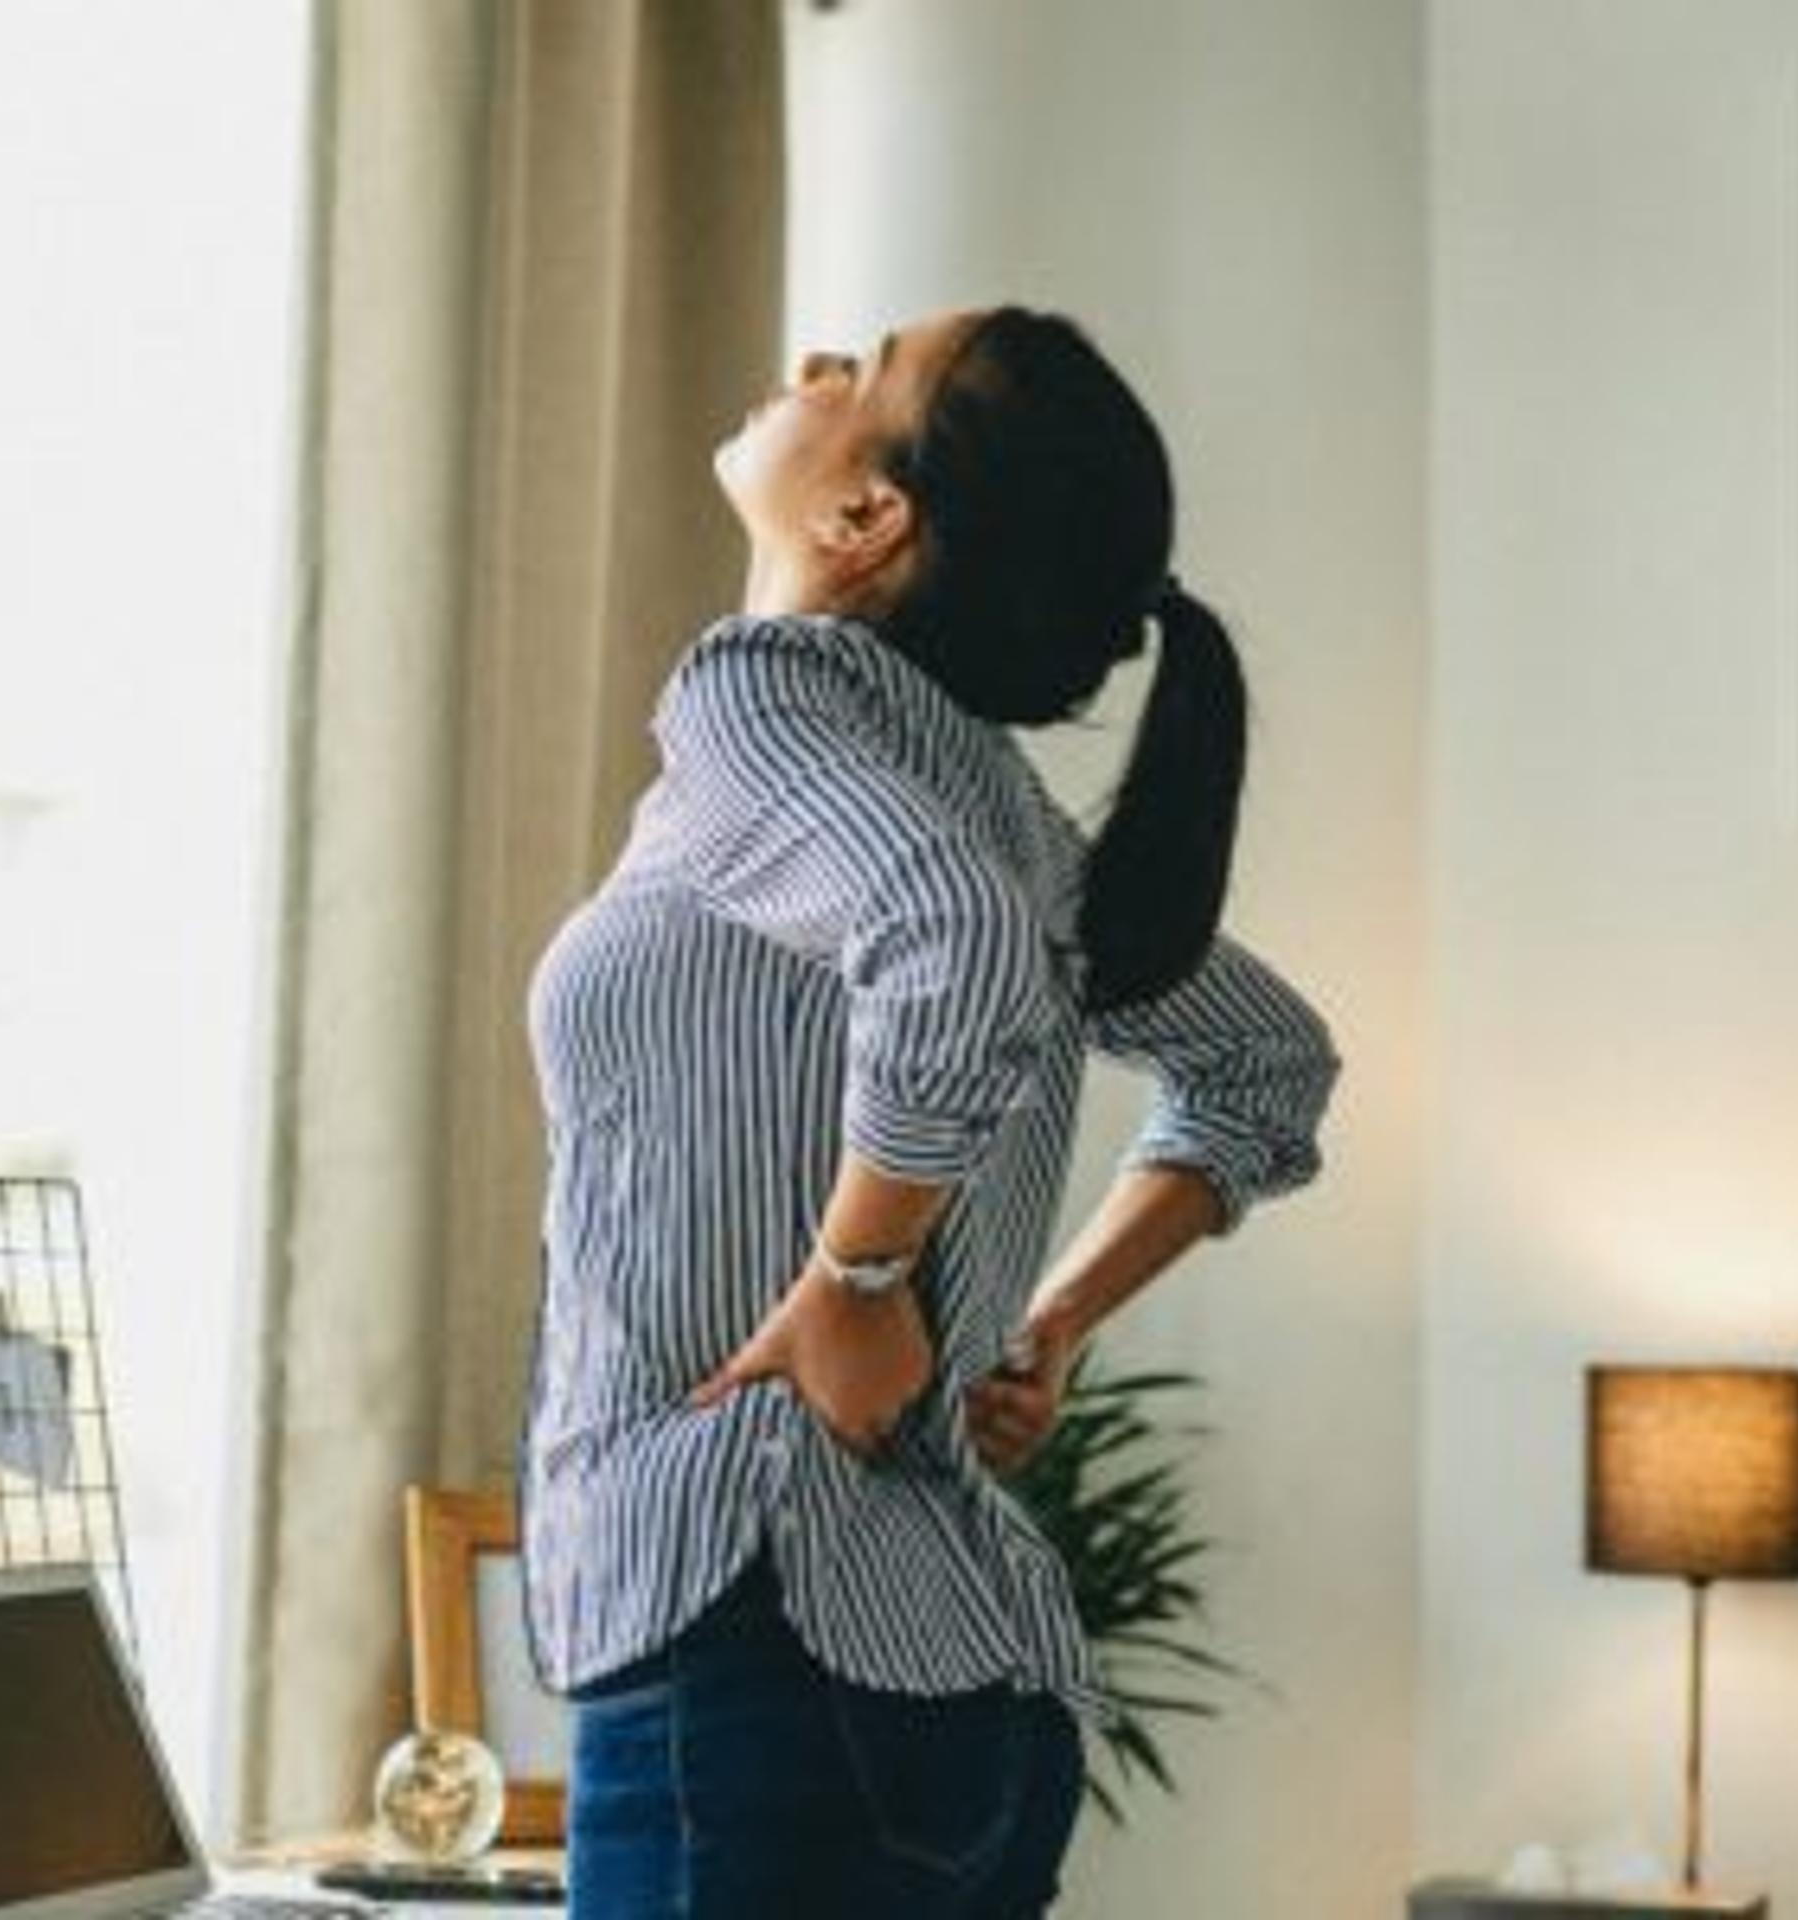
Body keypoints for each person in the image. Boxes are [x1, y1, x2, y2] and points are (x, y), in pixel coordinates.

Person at [520, 305, 1339, 1918]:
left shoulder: (762, 702)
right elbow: (1267, 1060)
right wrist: (1035, 1332)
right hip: (948, 1696)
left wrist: (863, 1284)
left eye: (865, 368)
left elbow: (951, 947)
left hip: (757, 1644)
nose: (819, 362)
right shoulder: (982, 798)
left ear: (866, 518)